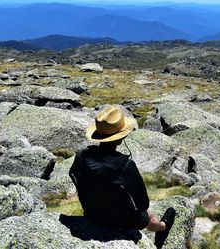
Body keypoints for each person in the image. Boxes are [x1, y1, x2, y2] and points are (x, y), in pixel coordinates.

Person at [69, 106, 175, 248]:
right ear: (120, 137)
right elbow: (143, 204)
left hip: (92, 213)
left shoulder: (81, 156)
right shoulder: (125, 166)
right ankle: (163, 226)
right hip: (120, 220)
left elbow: (74, 177)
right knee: (148, 215)